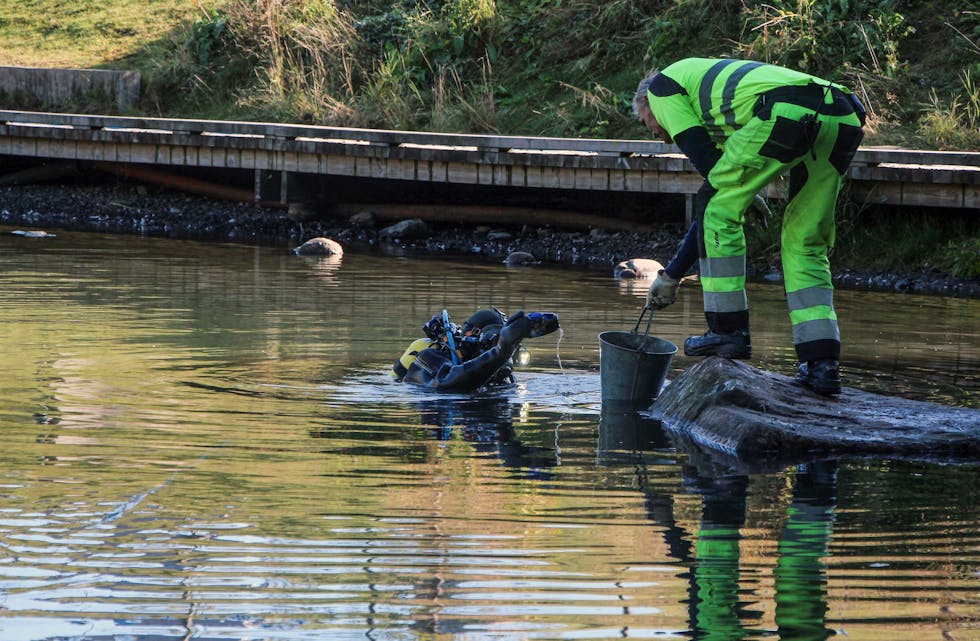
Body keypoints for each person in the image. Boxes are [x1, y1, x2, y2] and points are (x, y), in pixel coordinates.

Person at [633, 58, 866, 396]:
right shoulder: (725, 111)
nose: (657, 135)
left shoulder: (661, 90)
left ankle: (728, 332)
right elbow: (724, 185)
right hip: (843, 113)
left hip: (788, 109)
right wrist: (672, 273)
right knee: (804, 241)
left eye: (646, 124)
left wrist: (671, 276)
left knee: (717, 205)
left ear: (647, 106)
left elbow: (712, 181)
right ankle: (822, 364)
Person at [393, 308, 559, 391]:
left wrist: (513, 342)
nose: (493, 345)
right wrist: (501, 350)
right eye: (492, 340)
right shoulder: (429, 357)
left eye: (500, 340)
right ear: (471, 334)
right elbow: (448, 383)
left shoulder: (501, 375)